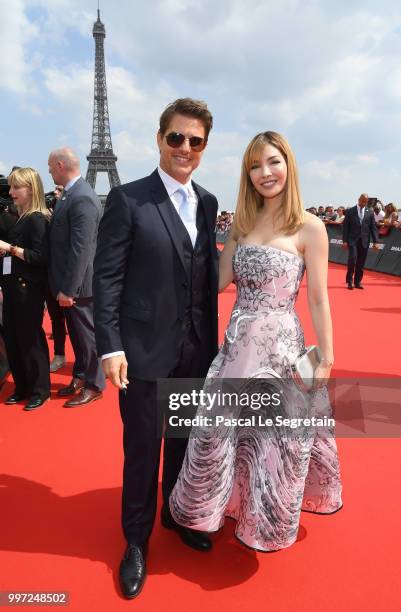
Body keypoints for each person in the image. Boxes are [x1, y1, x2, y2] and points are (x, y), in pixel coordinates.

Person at [170, 130, 342, 552]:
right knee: (224, 433)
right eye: (254, 165)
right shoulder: (242, 224)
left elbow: (318, 298)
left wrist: (328, 356)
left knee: (273, 441)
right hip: (237, 347)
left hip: (282, 350)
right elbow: (218, 280)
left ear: (288, 164)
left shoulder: (310, 227)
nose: (265, 173)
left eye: (272, 162)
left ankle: (264, 522)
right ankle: (224, 504)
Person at [93, 98, 219, 599]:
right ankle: (137, 541)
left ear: (204, 147)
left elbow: (206, 277)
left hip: (195, 350)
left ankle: (176, 512)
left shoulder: (208, 203)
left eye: (195, 141)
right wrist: (110, 346)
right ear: (160, 138)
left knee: (183, 443)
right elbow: (106, 278)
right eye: (176, 138)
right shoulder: (130, 199)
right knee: (141, 451)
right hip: (142, 351)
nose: (185, 148)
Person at [48, 148, 105, 406]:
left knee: (86, 338)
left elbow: (80, 249)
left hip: (79, 286)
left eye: (50, 166)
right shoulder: (73, 194)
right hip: (72, 283)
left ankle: (94, 384)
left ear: (60, 165)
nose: (48, 171)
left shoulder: (81, 197)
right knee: (79, 337)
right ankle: (81, 376)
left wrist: (69, 289)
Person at [0, 167, 50, 410]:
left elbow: (40, 257)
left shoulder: (37, 219)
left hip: (27, 290)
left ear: (30, 189)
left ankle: (40, 389)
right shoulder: (22, 217)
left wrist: (9, 248)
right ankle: (22, 387)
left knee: (30, 340)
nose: (11, 192)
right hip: (11, 288)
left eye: (15, 187)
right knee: (12, 339)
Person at [45, 184, 67, 372]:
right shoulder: (46, 215)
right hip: (50, 276)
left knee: (80, 325)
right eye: (55, 191)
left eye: (60, 190)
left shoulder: (74, 211)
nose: (56, 194)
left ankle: (90, 362)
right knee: (56, 320)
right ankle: (59, 355)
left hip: (71, 277)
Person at [342, 193, 380, 289]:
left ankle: (357, 282)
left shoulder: (370, 212)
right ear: (359, 199)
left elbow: (373, 228)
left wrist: (376, 242)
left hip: (364, 240)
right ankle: (350, 281)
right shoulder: (350, 211)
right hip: (352, 240)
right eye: (362, 200)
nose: (364, 202)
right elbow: (345, 227)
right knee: (352, 260)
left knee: (361, 262)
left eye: (366, 201)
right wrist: (345, 240)